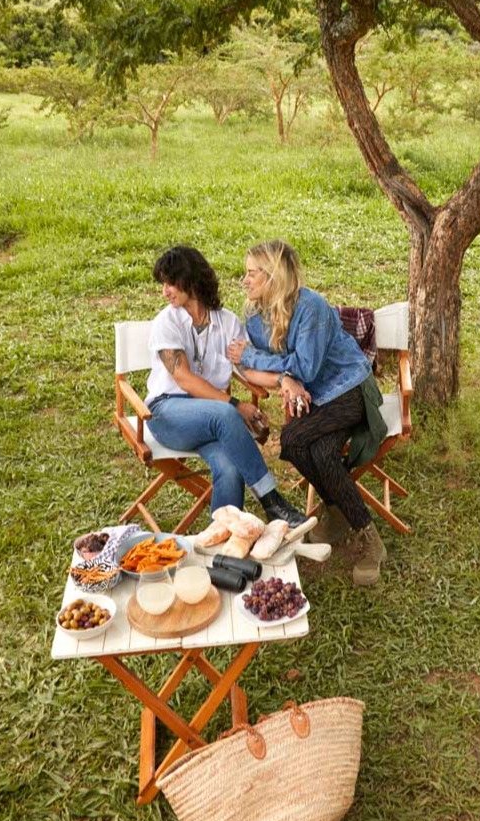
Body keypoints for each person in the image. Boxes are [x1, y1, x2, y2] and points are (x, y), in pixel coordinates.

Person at [227, 240, 388, 586]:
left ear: (273, 278)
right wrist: (284, 378)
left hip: (349, 388)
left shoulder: (311, 307)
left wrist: (259, 361)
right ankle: (341, 514)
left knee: (293, 437)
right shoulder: (255, 316)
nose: (244, 280)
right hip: (313, 399)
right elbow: (249, 375)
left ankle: (367, 539)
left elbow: (305, 367)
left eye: (252, 273)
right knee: (313, 450)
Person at [143, 245, 306, 528]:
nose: (165, 291)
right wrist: (234, 406)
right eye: (163, 284)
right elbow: (183, 378)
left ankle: (222, 545)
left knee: (230, 469)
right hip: (168, 414)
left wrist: (282, 380)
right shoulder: (166, 322)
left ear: (190, 280)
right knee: (227, 415)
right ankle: (271, 501)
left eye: (170, 282)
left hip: (211, 421)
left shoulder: (227, 322)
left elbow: (248, 370)